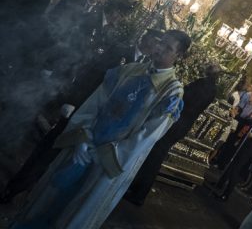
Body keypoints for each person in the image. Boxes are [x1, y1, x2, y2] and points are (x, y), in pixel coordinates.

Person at [10, 30, 190, 229]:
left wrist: (105, 154)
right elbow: (95, 104)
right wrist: (82, 137)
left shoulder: (172, 92)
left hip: (108, 162)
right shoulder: (128, 70)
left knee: (75, 212)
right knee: (48, 200)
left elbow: (147, 136)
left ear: (179, 56)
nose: (159, 49)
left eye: (168, 48)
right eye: (161, 42)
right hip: (83, 148)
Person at [125, 62, 220, 205]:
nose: (204, 67)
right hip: (184, 125)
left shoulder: (202, 84)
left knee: (154, 156)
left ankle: (139, 192)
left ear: (210, 71)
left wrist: (181, 89)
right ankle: (138, 189)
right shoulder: (213, 90)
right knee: (156, 156)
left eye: (208, 67)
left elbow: (185, 96)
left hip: (177, 122)